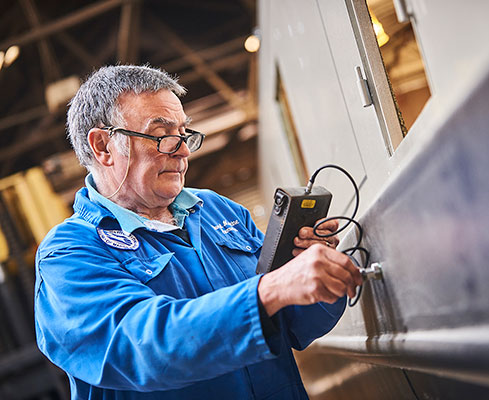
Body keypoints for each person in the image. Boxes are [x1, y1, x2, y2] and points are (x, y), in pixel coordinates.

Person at [34, 65, 363, 399]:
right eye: (162, 136)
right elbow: (143, 347)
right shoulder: (68, 255)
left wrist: (313, 276)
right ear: (103, 146)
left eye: (184, 133)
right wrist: (271, 290)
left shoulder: (219, 210)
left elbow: (292, 325)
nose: (184, 150)